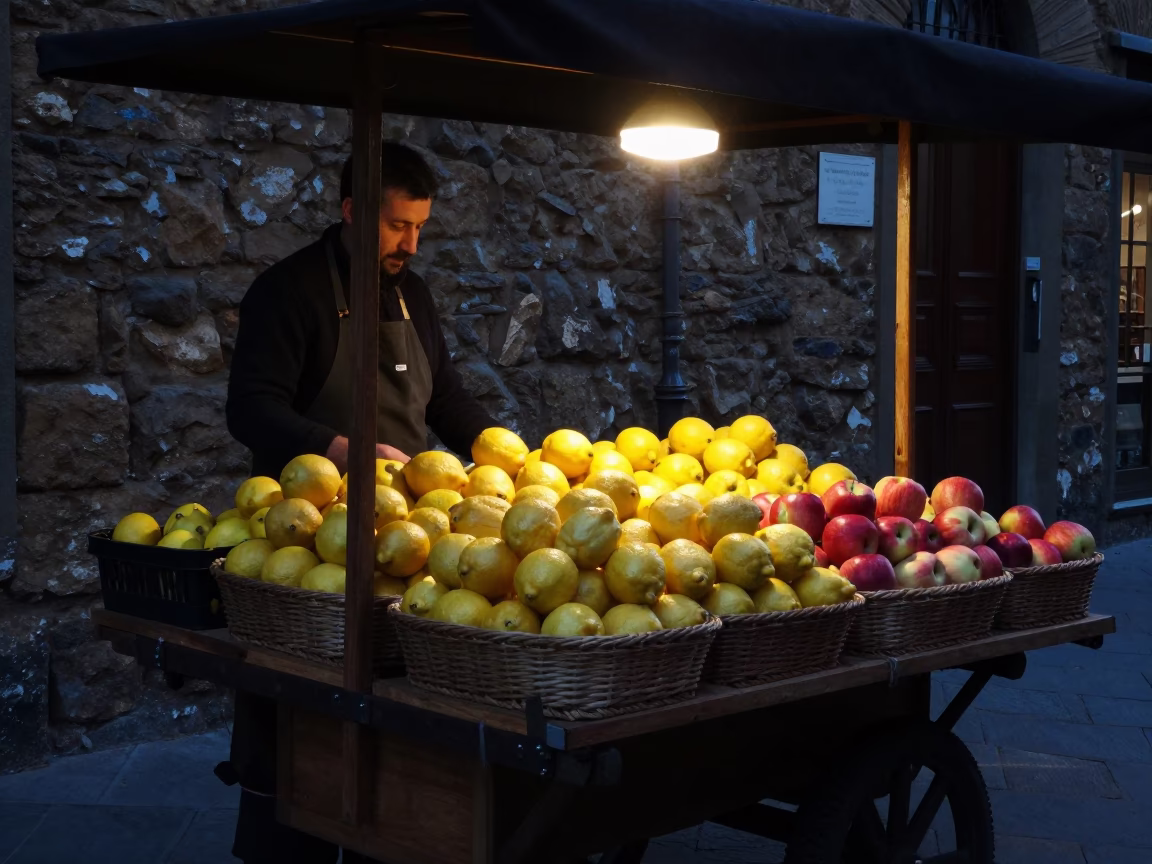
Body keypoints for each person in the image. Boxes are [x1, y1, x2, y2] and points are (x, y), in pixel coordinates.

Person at [222, 142, 495, 864]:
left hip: (402, 536)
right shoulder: (288, 293)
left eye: (421, 226)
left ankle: (385, 835)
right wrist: (349, 451)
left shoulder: (415, 293)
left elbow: (449, 400)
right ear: (352, 212)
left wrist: (504, 450)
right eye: (398, 226)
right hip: (302, 540)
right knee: (294, 722)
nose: (412, 243)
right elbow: (251, 410)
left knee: (392, 718)